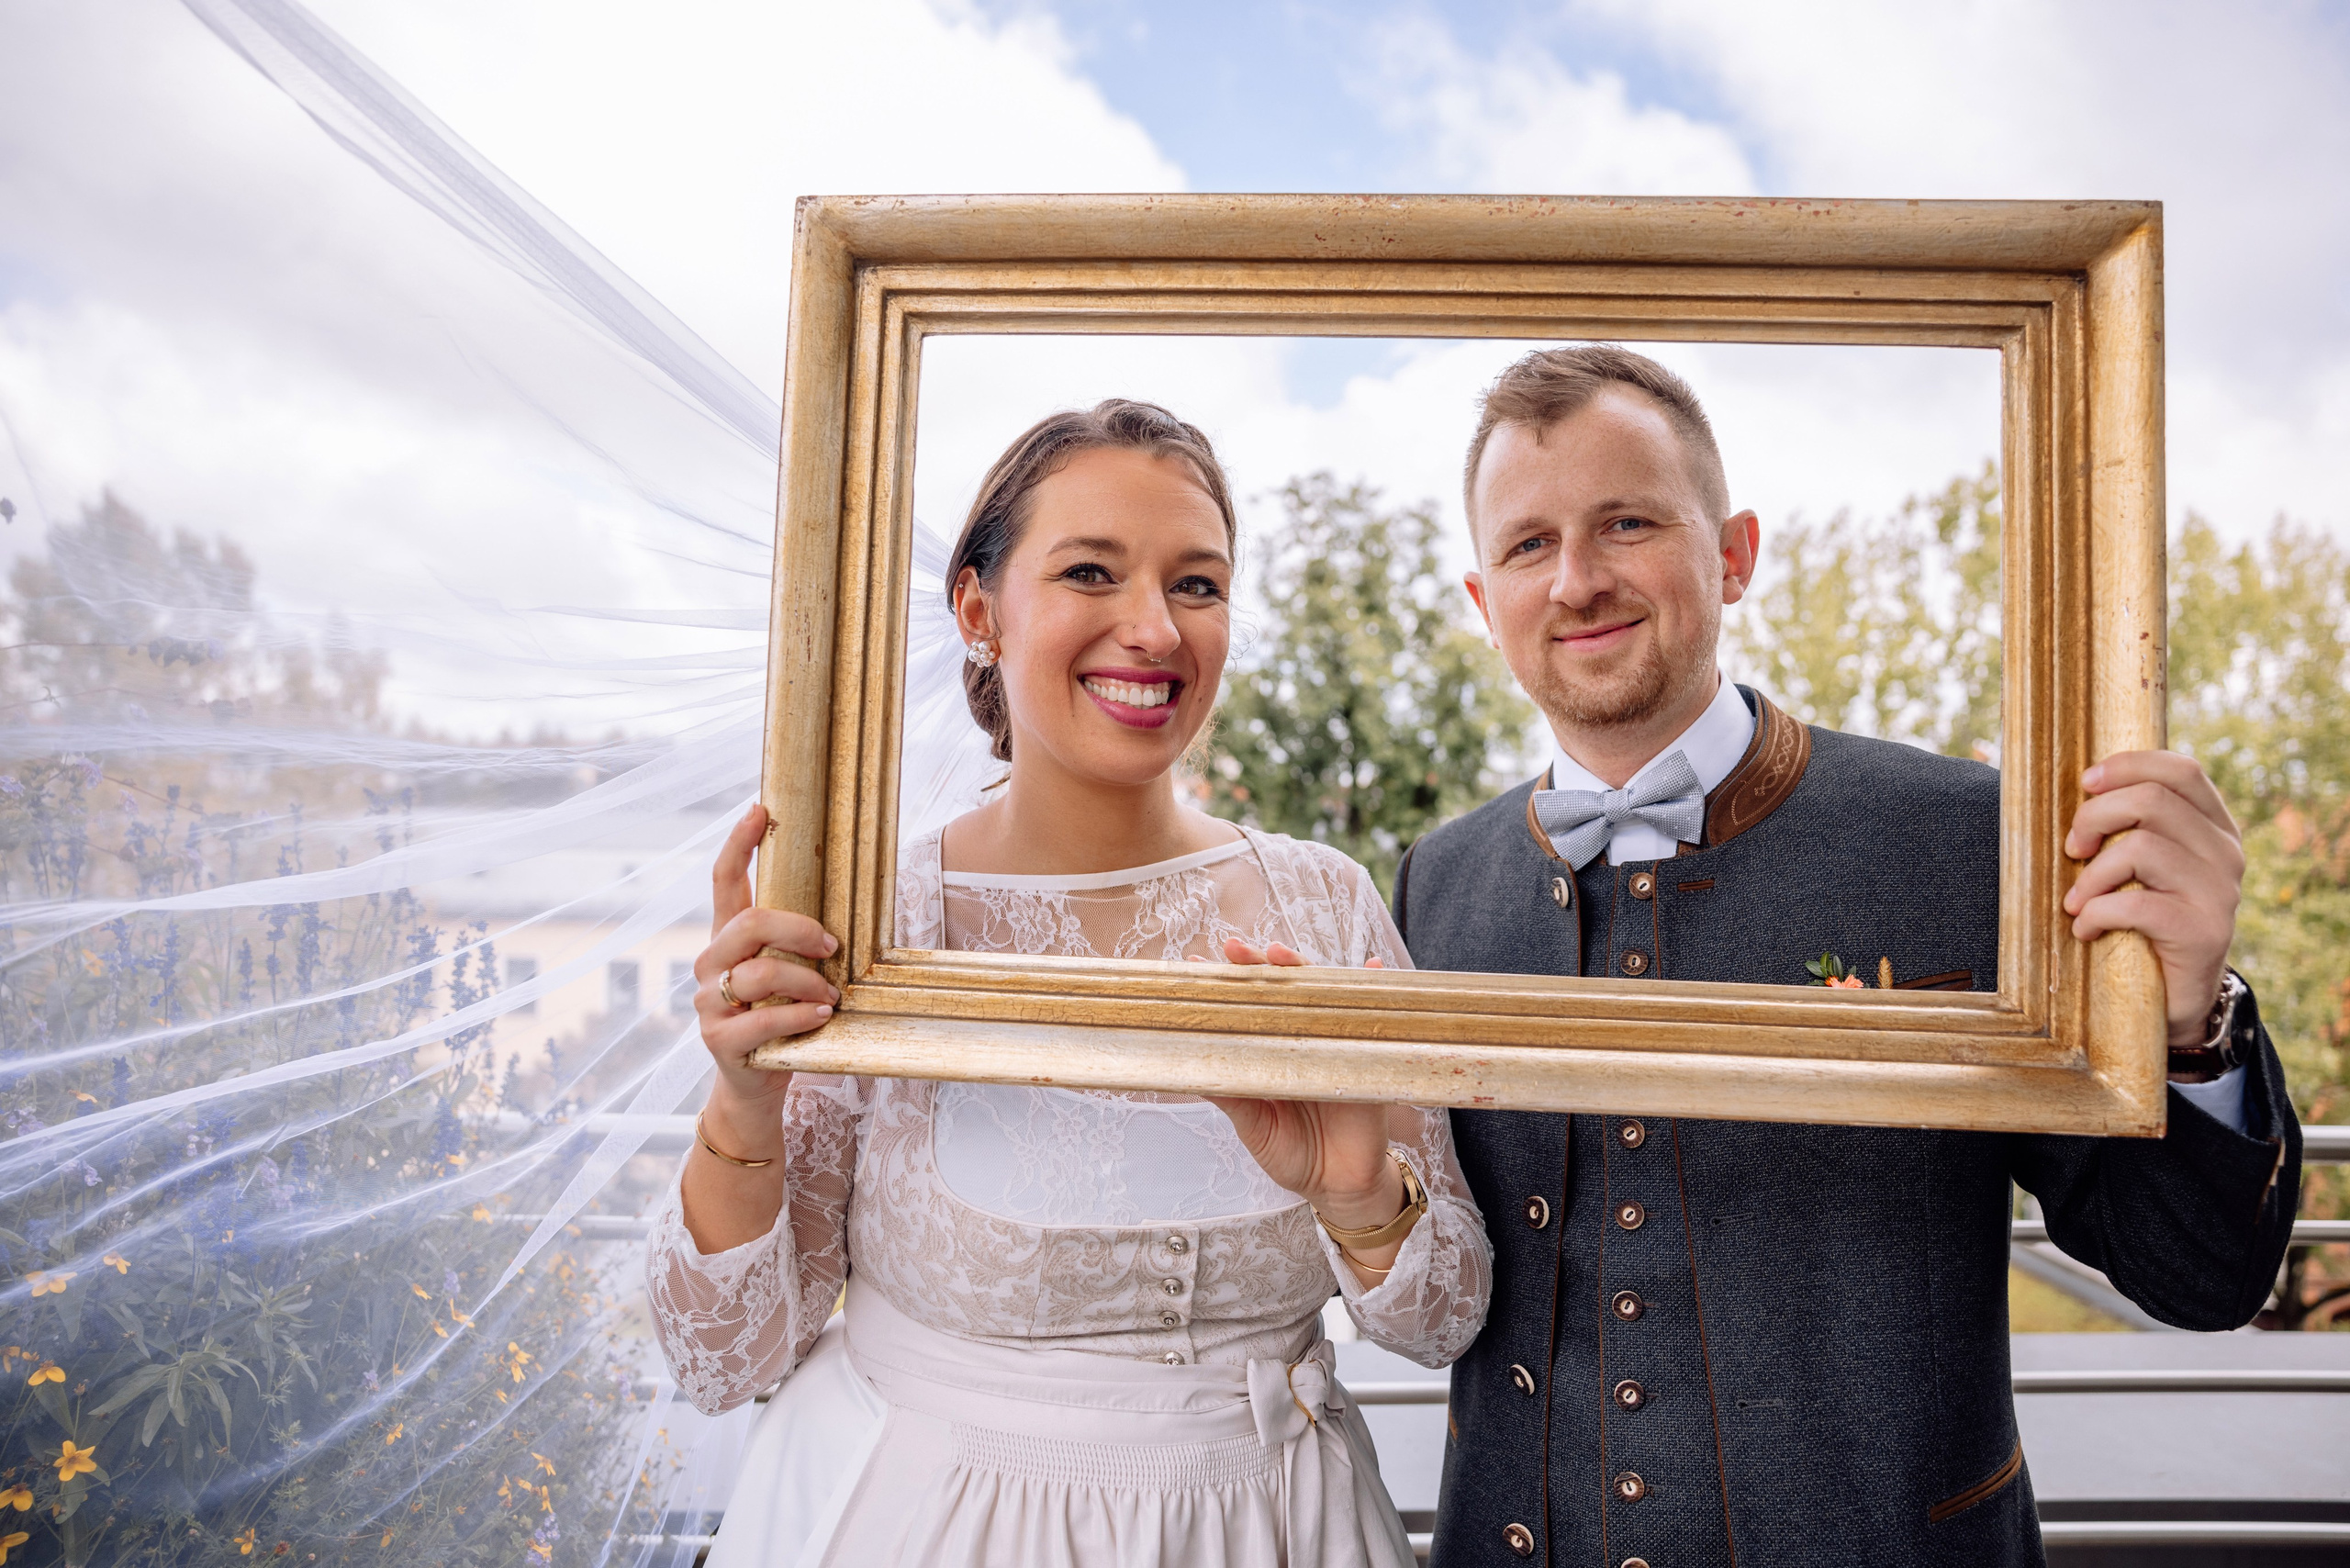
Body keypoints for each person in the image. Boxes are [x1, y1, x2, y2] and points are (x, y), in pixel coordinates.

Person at [1398, 346, 2303, 1568]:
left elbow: (2200, 1278)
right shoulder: (1434, 884)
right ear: (1483, 600)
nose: (1577, 579)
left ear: (1734, 556)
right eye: (1527, 544)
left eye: (1627, 522)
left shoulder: (1974, 842)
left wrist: (2189, 1018)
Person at [643, 399, 1493, 1568]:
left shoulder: (1325, 905)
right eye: (1091, 571)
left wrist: (1358, 1197)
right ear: (978, 610)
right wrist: (745, 1097)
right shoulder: (870, 929)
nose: (1154, 628)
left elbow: (1446, 1319)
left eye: (1196, 585)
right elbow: (723, 1361)